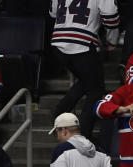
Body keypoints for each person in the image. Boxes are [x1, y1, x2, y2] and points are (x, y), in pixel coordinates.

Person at [50, 0, 118, 140]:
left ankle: (59, 112)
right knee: (95, 90)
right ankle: (84, 134)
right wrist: (112, 39)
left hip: (58, 43)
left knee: (87, 81)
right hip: (82, 45)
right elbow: (111, 17)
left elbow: (53, 12)